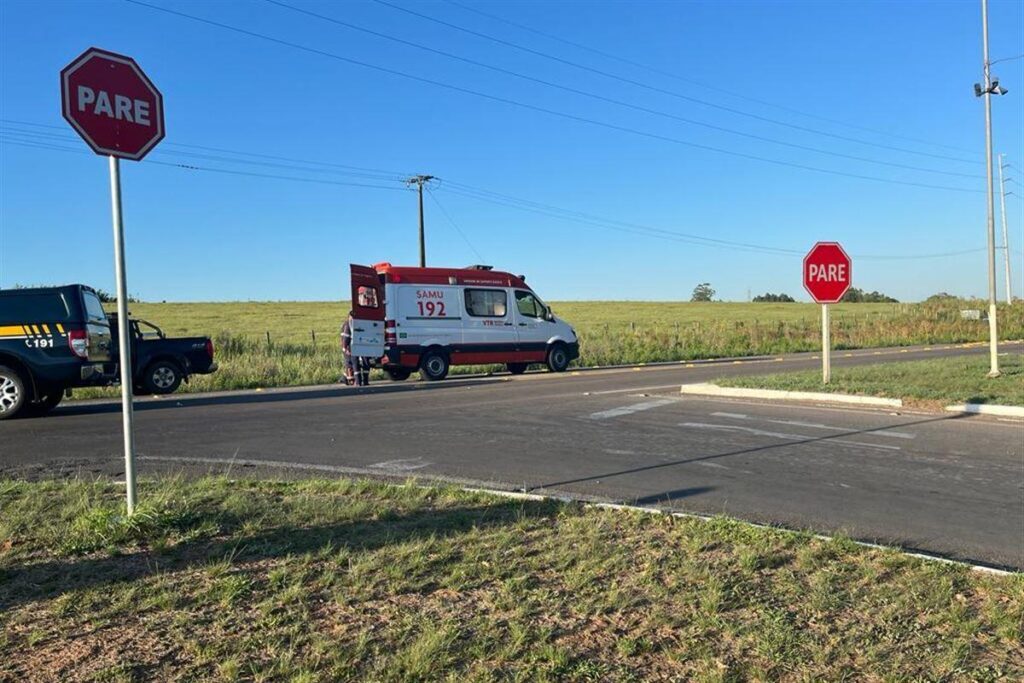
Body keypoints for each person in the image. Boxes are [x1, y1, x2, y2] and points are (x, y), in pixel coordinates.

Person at [340, 312, 355, 386]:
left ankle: (347, 378)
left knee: (349, 363)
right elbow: (345, 337)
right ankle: (350, 380)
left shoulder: (347, 324)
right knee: (349, 363)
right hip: (348, 347)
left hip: (347, 347)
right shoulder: (348, 324)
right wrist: (345, 347)